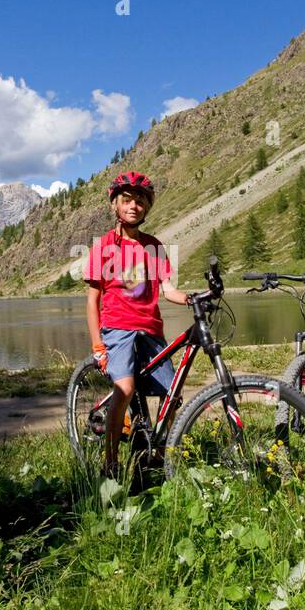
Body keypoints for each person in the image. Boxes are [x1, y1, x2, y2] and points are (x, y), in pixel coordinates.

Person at [84, 171, 189, 478]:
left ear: (147, 207)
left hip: (151, 330)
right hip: (118, 328)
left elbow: (168, 289)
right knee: (125, 388)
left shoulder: (154, 246)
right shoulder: (103, 246)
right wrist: (97, 345)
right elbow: (92, 301)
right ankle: (111, 462)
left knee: (173, 394)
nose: (134, 206)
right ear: (115, 205)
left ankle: (160, 455)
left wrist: (192, 298)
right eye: (127, 200)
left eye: (140, 201)